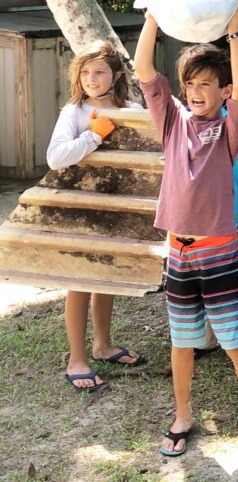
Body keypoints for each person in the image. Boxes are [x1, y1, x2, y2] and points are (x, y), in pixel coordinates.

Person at [135, 0, 238, 460]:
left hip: (219, 249)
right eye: (191, 84)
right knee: (181, 341)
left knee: (236, 342)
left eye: (207, 85)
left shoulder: (230, 127)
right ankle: (182, 416)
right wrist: (155, 15)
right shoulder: (173, 122)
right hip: (179, 249)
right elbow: (144, 71)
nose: (197, 91)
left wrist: (234, 33)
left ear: (220, 93)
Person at [45, 41, 146, 391]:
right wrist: (93, 135)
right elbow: (56, 157)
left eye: (99, 72)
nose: (91, 78)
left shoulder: (132, 108)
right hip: (82, 208)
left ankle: (102, 345)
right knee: (80, 280)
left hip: (118, 205)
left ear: (116, 75)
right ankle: (77, 358)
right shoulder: (73, 112)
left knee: (106, 276)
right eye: (85, 72)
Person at [193, 104, 238, 363]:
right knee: (206, 274)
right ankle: (209, 335)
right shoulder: (188, 119)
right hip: (201, 215)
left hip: (237, 210)